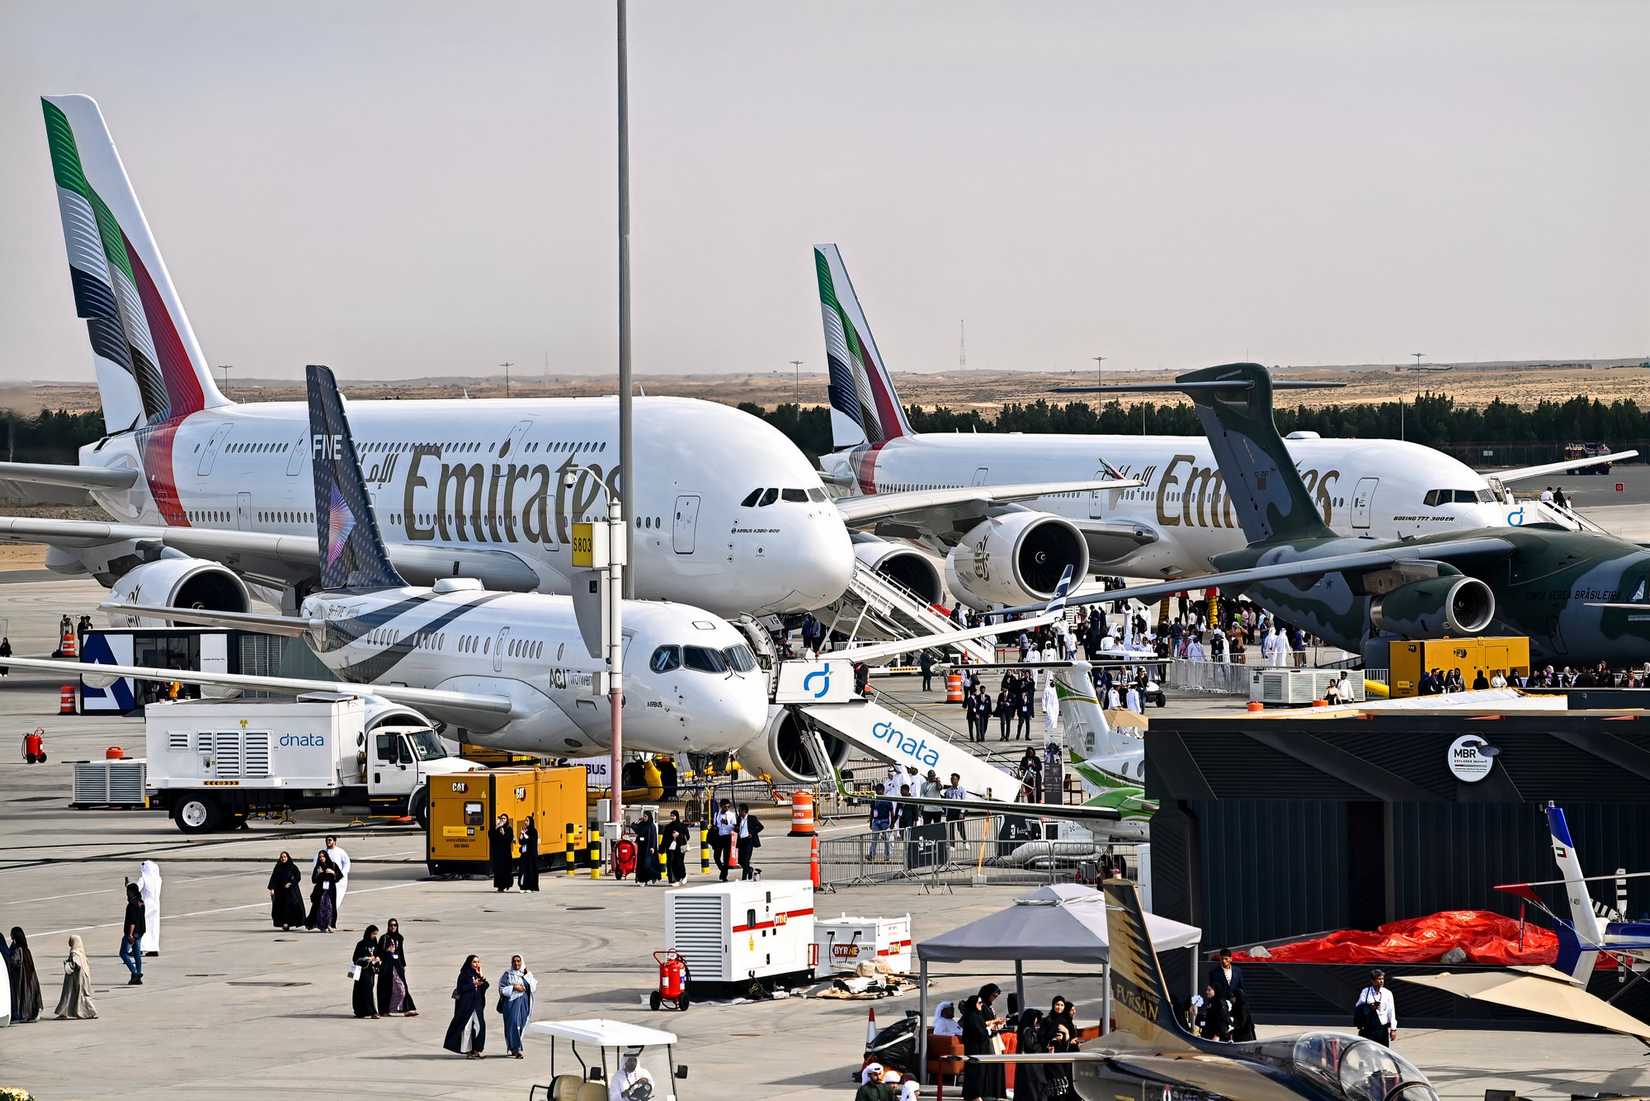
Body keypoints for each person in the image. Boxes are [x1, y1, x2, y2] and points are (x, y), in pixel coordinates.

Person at [960, 984, 1005, 1101]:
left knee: (980, 1072)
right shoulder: (973, 1016)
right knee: (976, 1073)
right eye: (979, 1003)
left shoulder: (977, 1014)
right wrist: (991, 1026)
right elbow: (980, 1031)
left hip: (980, 1047)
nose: (981, 1005)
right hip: (976, 1049)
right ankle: (976, 1095)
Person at [443, 954, 488, 1058]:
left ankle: (477, 1050)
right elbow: (460, 988)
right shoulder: (464, 974)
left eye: (478, 962)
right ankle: (468, 1052)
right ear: (469, 963)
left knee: (479, 1026)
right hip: (466, 1005)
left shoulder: (477, 974)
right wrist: (474, 984)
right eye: (474, 962)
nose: (476, 964)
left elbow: (486, 985)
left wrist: (481, 975)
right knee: (467, 1028)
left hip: (477, 1005)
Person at [497, 953, 537, 1058]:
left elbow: (533, 987)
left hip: (524, 1003)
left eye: (518, 961)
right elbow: (501, 989)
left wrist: (527, 977)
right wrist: (514, 987)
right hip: (511, 1003)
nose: (516, 963)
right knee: (513, 1024)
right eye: (514, 961)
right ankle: (515, 1049)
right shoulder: (507, 974)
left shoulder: (527, 974)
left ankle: (516, 1047)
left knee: (521, 1025)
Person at [377, 918, 417, 1016]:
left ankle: (406, 1009)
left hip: (397, 965)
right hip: (387, 967)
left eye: (395, 925)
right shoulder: (384, 938)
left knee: (402, 987)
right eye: (391, 925)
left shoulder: (399, 937)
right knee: (387, 988)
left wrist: (403, 965)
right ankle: (385, 1010)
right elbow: (379, 953)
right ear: (388, 926)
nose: (393, 927)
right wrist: (388, 951)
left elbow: (401, 952)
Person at [53, 934, 96, 1019]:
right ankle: (88, 1012)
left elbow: (74, 965)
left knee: (68, 994)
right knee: (81, 994)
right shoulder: (81, 952)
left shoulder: (74, 953)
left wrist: (67, 964)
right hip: (83, 977)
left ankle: (65, 1012)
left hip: (75, 978)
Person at [7, 928, 43, 1023]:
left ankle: (22, 1015)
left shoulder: (18, 950)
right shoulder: (26, 949)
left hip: (21, 979)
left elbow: (14, 962)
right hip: (29, 978)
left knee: (22, 996)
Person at [1354, 969, 1397, 1045]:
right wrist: (1370, 1007)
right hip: (1369, 1029)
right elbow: (1358, 1007)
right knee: (1369, 1053)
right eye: (1379, 979)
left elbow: (1391, 1012)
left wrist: (1393, 1029)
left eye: (1382, 979)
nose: (1382, 981)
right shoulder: (1366, 992)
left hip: (1382, 1029)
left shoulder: (1388, 993)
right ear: (1373, 981)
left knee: (1383, 1053)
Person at [268, 851, 306, 931]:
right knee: (281, 907)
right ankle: (285, 923)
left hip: (291, 892)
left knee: (292, 906)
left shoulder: (292, 867)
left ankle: (291, 922)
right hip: (280, 892)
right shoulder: (277, 867)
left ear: (287, 857)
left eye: (285, 857)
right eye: (282, 857)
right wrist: (272, 889)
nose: (283, 858)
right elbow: (273, 878)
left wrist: (291, 883)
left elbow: (298, 877)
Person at [351, 925, 382, 1018]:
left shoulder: (375, 944)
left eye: (376, 934)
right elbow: (355, 958)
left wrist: (377, 959)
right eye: (373, 934)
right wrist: (366, 958)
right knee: (364, 990)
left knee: (369, 989)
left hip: (371, 971)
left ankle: (364, 1011)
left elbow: (379, 954)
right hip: (362, 971)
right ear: (368, 933)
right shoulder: (361, 944)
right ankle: (372, 1012)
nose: (374, 936)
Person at [307, 850, 342, 932]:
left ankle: (330, 924)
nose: (321, 858)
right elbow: (313, 880)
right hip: (320, 890)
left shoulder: (333, 865)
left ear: (326, 857)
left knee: (330, 906)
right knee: (322, 907)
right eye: (320, 857)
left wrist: (332, 872)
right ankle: (322, 925)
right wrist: (318, 874)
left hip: (330, 889)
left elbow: (339, 876)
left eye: (323, 856)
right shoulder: (318, 867)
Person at [120, 881, 146, 985]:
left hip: (132, 933)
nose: (127, 894)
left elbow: (132, 921)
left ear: (132, 893)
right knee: (136, 954)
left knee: (123, 953)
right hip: (140, 932)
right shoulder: (141, 902)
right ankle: (138, 976)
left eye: (128, 892)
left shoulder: (131, 905)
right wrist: (127, 884)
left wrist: (130, 934)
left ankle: (134, 972)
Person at [136, 860, 162, 955]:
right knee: (153, 927)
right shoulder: (158, 879)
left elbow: (136, 889)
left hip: (145, 905)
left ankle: (139, 948)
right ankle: (153, 948)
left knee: (141, 926)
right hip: (155, 905)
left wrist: (128, 886)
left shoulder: (144, 878)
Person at [661, 809, 690, 885]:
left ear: (677, 816)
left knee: (679, 862)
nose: (672, 817)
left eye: (673, 816)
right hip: (670, 848)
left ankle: (683, 876)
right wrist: (662, 848)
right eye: (671, 816)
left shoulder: (682, 826)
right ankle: (673, 880)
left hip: (680, 847)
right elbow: (664, 838)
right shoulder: (668, 827)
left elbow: (687, 836)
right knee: (670, 863)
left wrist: (679, 835)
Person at [324, 836, 351, 917]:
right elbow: (316, 862)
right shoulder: (323, 852)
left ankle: (330, 920)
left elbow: (347, 863)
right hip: (326, 880)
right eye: (326, 840)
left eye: (330, 840)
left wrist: (341, 874)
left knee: (335, 901)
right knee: (324, 899)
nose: (328, 842)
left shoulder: (340, 852)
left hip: (339, 881)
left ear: (335, 841)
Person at [736, 802, 763, 880]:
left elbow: (761, 827)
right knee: (740, 861)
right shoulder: (738, 819)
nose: (738, 812)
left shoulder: (752, 818)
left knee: (746, 860)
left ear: (744, 811)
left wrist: (752, 833)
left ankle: (744, 878)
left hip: (749, 841)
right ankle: (750, 870)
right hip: (741, 841)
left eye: (740, 811)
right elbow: (738, 827)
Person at [634, 810, 662, 886]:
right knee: (641, 865)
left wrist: (653, 847)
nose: (644, 817)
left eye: (645, 816)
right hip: (641, 847)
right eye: (643, 816)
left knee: (647, 865)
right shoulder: (642, 824)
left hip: (649, 848)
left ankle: (656, 875)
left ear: (649, 817)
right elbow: (635, 828)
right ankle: (643, 880)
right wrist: (637, 821)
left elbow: (654, 837)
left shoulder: (652, 826)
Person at [713, 799, 737, 882]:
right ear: (721, 806)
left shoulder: (731, 815)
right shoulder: (717, 814)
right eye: (725, 806)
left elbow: (734, 826)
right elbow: (715, 825)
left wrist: (728, 824)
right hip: (719, 837)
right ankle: (723, 870)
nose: (727, 808)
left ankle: (724, 876)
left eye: (728, 806)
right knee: (716, 857)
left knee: (726, 859)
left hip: (728, 837)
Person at [489, 814, 515, 893]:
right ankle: (500, 887)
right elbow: (490, 836)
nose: (502, 820)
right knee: (498, 870)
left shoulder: (509, 829)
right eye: (501, 819)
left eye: (504, 819)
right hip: (498, 853)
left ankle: (505, 885)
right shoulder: (497, 828)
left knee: (505, 870)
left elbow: (509, 840)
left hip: (506, 854)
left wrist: (503, 834)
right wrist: (496, 827)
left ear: (507, 820)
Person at [942, 773, 967, 842]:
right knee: (951, 828)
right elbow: (946, 802)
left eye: (954, 779)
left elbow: (964, 802)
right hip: (951, 811)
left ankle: (965, 841)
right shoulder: (948, 790)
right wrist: (946, 813)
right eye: (951, 779)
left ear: (958, 780)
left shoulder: (962, 790)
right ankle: (952, 844)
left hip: (959, 810)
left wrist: (962, 812)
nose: (952, 781)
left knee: (960, 828)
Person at [518, 817, 540, 892]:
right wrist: (521, 835)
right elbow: (521, 842)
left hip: (532, 854)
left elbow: (533, 841)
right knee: (525, 870)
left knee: (531, 871)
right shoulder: (525, 830)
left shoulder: (534, 831)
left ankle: (532, 887)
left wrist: (526, 836)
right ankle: (525, 886)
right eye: (525, 820)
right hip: (525, 854)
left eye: (527, 820)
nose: (525, 822)